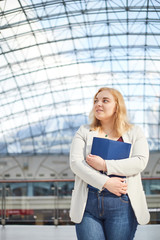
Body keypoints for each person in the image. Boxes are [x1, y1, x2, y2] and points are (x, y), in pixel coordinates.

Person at [69, 87, 150, 240]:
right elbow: (76, 163)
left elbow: (140, 162)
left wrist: (105, 165)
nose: (98, 104)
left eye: (105, 100)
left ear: (117, 106)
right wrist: (106, 182)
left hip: (122, 204)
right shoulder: (84, 131)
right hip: (88, 203)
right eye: (96, 101)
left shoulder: (135, 132)